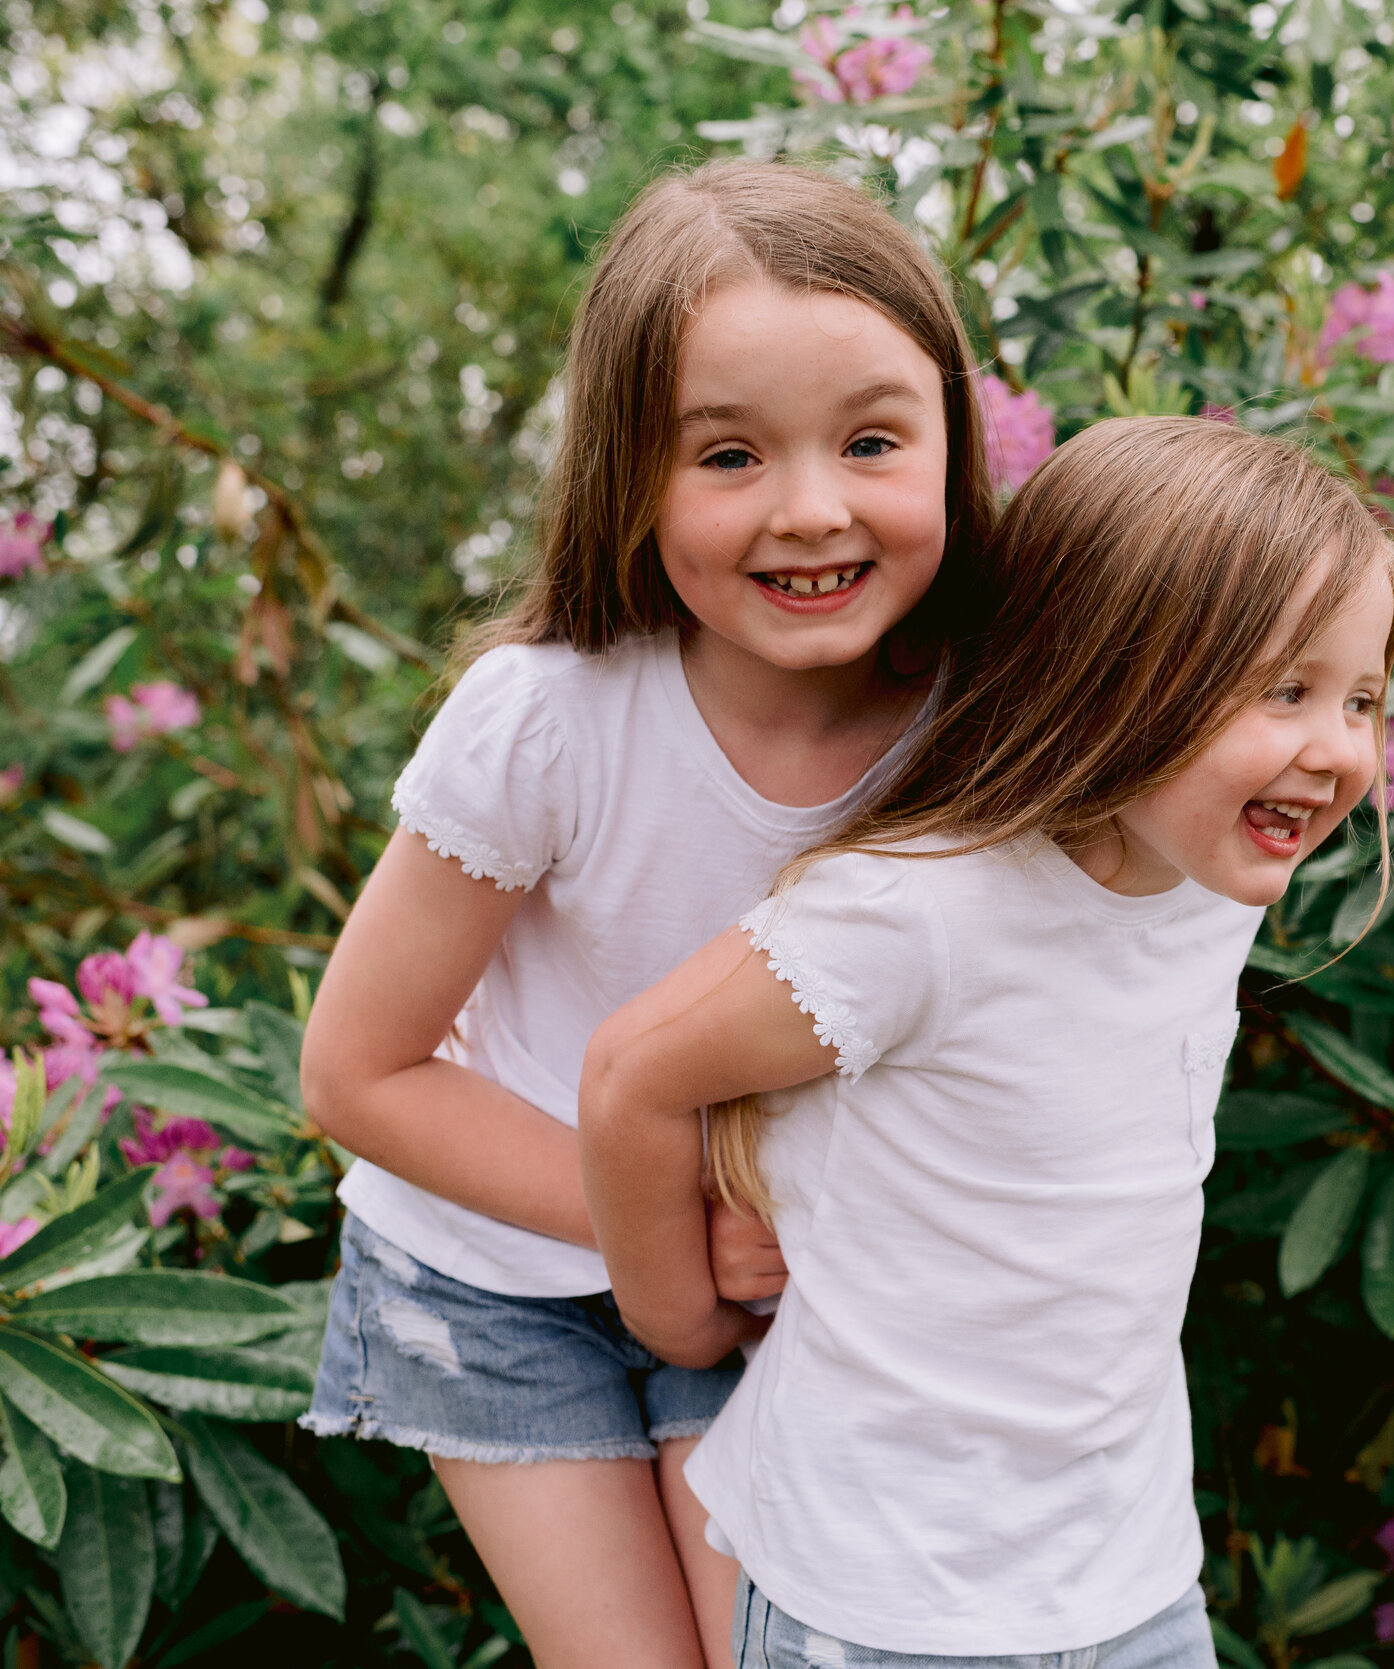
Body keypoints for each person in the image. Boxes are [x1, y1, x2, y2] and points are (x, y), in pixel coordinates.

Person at [297, 159, 997, 1669]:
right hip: (491, 1273)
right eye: (728, 456)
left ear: (955, 442)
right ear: (626, 472)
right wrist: (665, 1222)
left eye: (873, 439)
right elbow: (358, 1072)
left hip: (766, 1276)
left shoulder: (984, 728)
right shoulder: (548, 722)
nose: (812, 510)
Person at [575, 417, 1394, 1668]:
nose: (1338, 749)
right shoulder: (919, 913)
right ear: (1108, 669)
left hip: (1127, 1584)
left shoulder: (1210, 886)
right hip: (877, 1604)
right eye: (1283, 690)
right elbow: (631, 1075)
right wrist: (683, 1323)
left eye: (1361, 699)